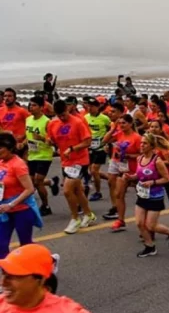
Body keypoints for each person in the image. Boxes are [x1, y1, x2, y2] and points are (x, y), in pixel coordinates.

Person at [124, 133, 169, 258]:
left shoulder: (157, 161)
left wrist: (153, 182)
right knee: (139, 223)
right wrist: (130, 177)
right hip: (142, 195)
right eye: (141, 143)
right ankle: (150, 246)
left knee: (151, 225)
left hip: (155, 196)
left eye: (145, 143)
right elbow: (139, 175)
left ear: (151, 146)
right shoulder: (139, 159)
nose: (142, 145)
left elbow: (167, 178)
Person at [46, 100, 96, 235]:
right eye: (59, 115)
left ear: (67, 110)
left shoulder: (78, 122)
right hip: (65, 161)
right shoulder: (53, 124)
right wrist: (49, 142)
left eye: (64, 114)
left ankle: (75, 218)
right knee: (77, 190)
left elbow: (87, 141)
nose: (62, 118)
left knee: (67, 190)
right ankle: (88, 214)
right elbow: (51, 139)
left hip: (79, 160)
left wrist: (73, 148)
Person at [0, 133, 39, 258]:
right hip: (3, 211)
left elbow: (30, 189)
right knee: (1, 245)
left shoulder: (18, 164)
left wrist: (10, 204)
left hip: (21, 210)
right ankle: (9, 275)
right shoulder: (1, 162)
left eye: (1, 147)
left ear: (10, 147)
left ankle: (50, 261)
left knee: (26, 245)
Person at [101, 113, 141, 233]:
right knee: (119, 194)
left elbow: (142, 154)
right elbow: (104, 140)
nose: (121, 125)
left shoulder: (137, 138)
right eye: (120, 123)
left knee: (141, 195)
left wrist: (128, 155)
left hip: (134, 169)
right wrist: (113, 128)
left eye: (124, 123)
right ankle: (121, 220)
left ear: (130, 124)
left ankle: (144, 220)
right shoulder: (119, 134)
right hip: (121, 168)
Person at [25, 96, 59, 216]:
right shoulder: (28, 119)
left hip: (44, 155)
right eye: (30, 105)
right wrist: (21, 143)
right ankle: (51, 183)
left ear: (41, 107)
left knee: (38, 181)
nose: (31, 107)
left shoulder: (47, 122)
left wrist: (41, 138)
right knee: (31, 182)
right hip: (32, 154)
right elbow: (28, 136)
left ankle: (46, 205)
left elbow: (54, 141)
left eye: (34, 105)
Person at [84, 98, 111, 202]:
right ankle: (113, 178)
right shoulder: (85, 117)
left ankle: (98, 192)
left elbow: (111, 131)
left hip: (100, 147)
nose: (90, 108)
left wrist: (107, 143)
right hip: (89, 147)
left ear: (98, 107)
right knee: (91, 171)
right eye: (88, 106)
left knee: (94, 170)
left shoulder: (104, 118)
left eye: (92, 106)